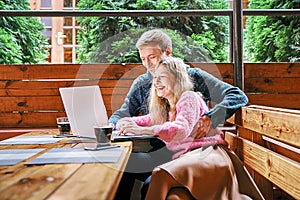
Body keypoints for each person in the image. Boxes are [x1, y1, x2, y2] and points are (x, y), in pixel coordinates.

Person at [109, 28, 249, 199]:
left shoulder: (191, 78)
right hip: (161, 150)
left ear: (168, 52)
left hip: (190, 151)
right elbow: (125, 113)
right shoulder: (143, 83)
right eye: (143, 59)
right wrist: (112, 125)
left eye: (152, 57)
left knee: (152, 183)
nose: (148, 64)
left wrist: (211, 117)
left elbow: (236, 95)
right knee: (123, 164)